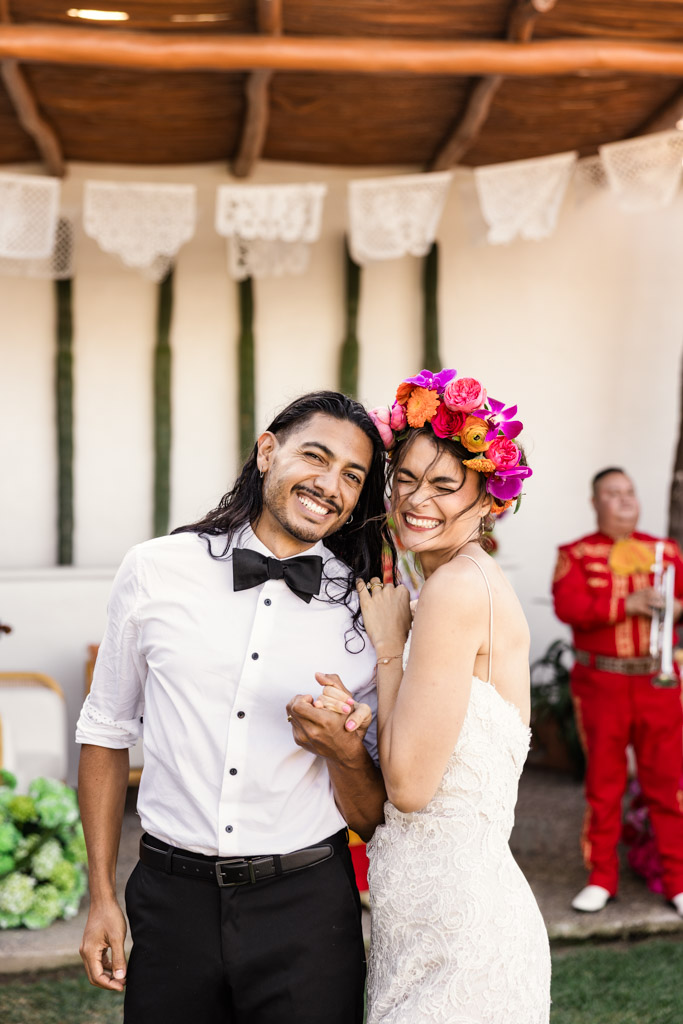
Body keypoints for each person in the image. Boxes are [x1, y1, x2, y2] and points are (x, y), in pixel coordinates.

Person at [75, 391, 393, 1024]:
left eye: (352, 475)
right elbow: (106, 731)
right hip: (169, 903)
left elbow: (373, 813)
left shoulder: (368, 610)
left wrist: (344, 750)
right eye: (316, 456)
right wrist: (102, 896)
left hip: (308, 908)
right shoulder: (154, 569)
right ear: (267, 450)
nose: (330, 485)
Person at [317, 370, 551, 1024]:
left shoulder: (454, 590)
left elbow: (411, 786)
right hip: (438, 920)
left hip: (460, 938)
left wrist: (388, 646)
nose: (416, 499)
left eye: (444, 485)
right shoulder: (460, 580)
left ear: (488, 501)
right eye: (406, 478)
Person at [552, 467, 683, 915]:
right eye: (613, 493)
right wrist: (626, 605)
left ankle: (677, 880)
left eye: (629, 492)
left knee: (665, 785)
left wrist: (676, 607)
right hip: (601, 684)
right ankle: (601, 877)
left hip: (656, 681)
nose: (625, 500)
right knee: (604, 784)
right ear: (595, 503)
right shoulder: (575, 553)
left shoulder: (665, 551)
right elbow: (568, 606)